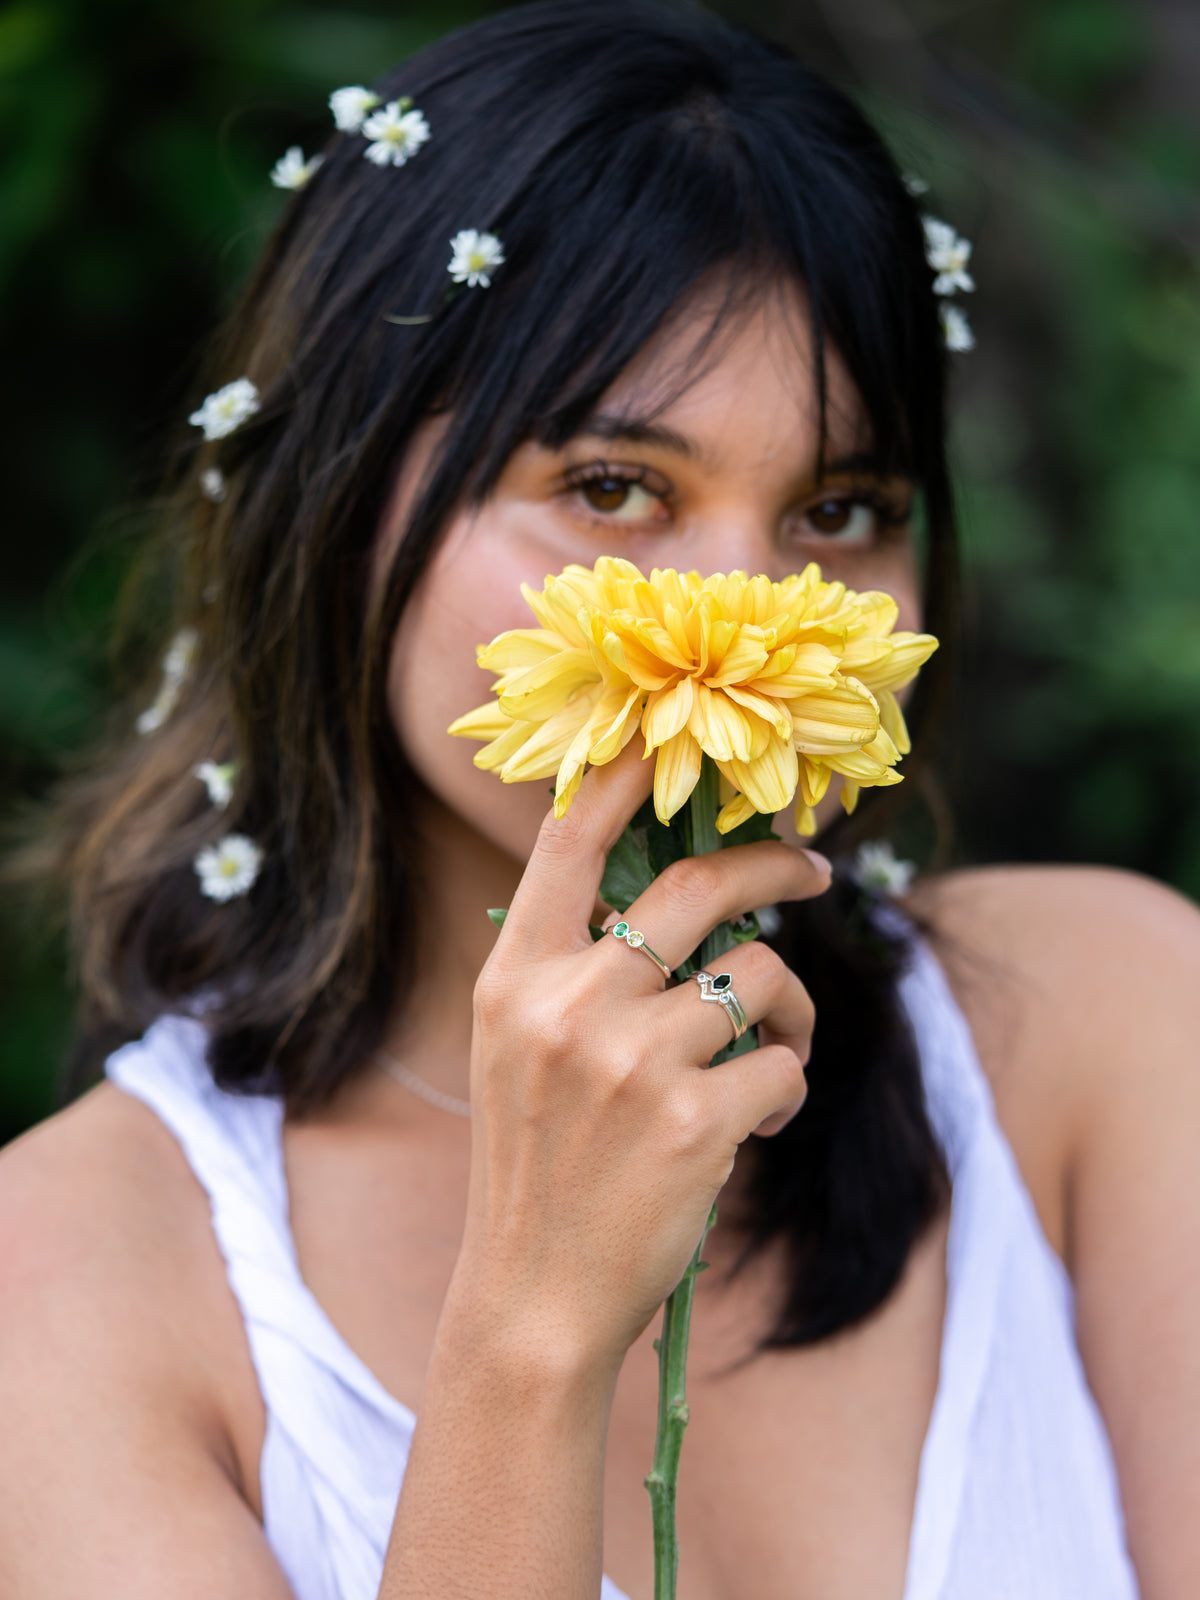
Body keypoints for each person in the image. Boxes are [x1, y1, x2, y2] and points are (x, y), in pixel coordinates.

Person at [2, 3, 1198, 1596]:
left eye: (840, 508)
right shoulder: (68, 1282)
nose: (749, 608)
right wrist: (531, 1330)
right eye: (614, 490)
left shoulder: (1110, 1018)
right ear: (342, 501)